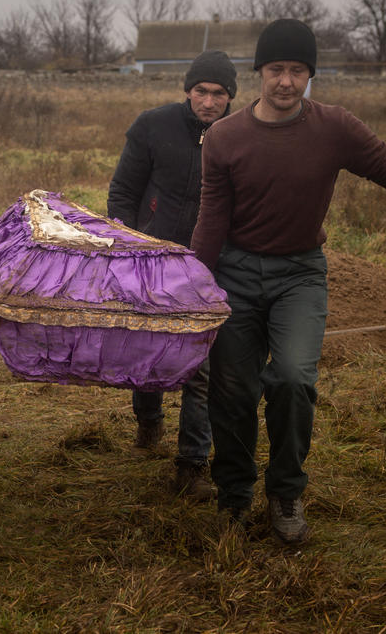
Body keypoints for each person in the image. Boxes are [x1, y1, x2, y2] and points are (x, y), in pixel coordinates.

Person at [190, 18, 386, 544]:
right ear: (259, 71)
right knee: (232, 390)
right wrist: (191, 286)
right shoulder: (224, 137)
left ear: (310, 74)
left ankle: (286, 494)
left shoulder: (336, 128)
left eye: (299, 71)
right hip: (235, 276)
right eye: (277, 69)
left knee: (291, 379)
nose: (286, 81)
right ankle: (233, 497)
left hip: (299, 275)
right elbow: (212, 218)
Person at [107, 50, 237, 501]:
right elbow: (123, 190)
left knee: (199, 366)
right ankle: (149, 420)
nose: (208, 101)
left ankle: (191, 464)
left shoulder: (240, 136)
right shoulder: (152, 126)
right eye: (200, 91)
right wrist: (127, 244)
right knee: (148, 354)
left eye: (218, 93)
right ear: (187, 90)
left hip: (207, 266)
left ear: (230, 98)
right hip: (152, 258)